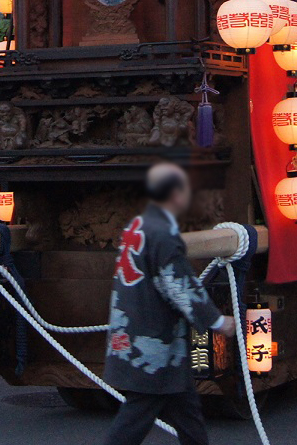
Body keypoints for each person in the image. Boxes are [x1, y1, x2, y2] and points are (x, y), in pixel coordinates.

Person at [101, 163, 236, 445]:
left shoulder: (137, 226)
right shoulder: (162, 234)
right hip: (153, 345)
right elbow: (179, 285)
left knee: (187, 413)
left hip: (135, 330)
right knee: (135, 418)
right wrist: (216, 321)